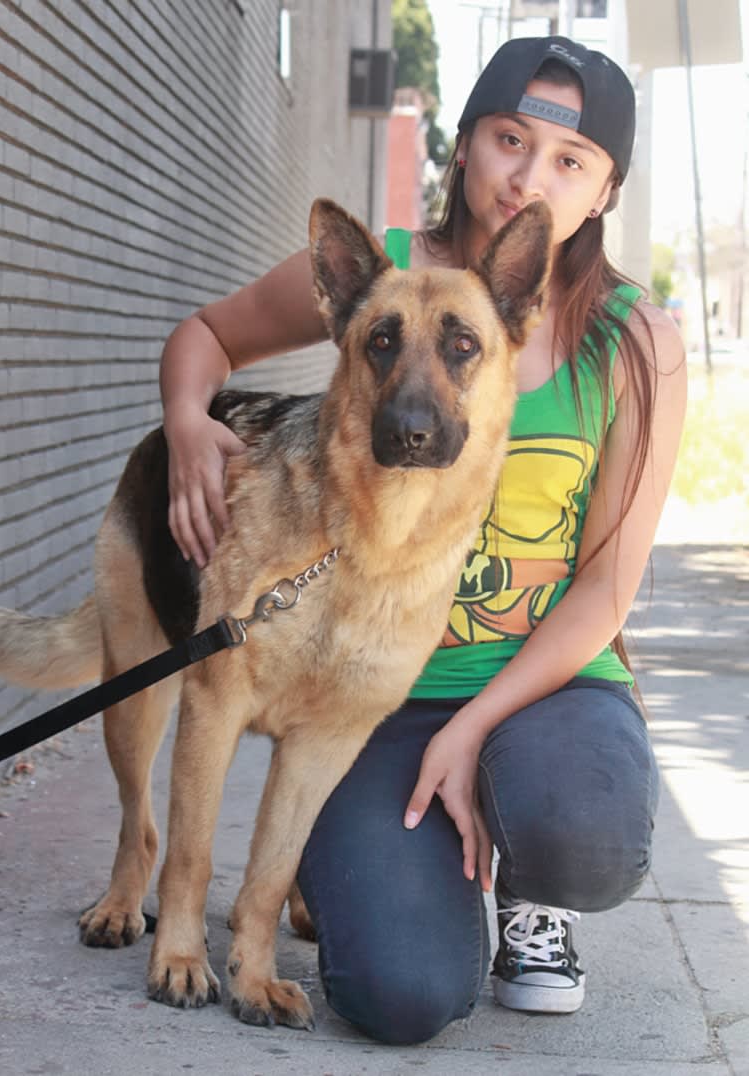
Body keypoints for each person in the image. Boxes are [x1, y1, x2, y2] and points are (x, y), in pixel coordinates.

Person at [159, 35, 686, 1045]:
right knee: (400, 995)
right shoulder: (385, 283)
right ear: (466, 145)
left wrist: (472, 726)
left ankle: (533, 890)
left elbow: (607, 587)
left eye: (569, 161)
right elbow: (205, 336)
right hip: (371, 690)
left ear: (606, 188)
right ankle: (360, 866)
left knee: (583, 815)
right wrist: (189, 421)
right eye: (507, 138)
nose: (528, 175)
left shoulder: (637, 341)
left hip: (540, 683)